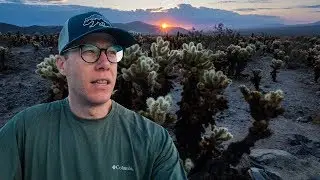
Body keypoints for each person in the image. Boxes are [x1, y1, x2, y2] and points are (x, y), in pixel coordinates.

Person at [0, 11, 187, 180]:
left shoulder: (154, 141)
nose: (104, 63)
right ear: (62, 64)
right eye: (89, 51)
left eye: (112, 52)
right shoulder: (23, 131)